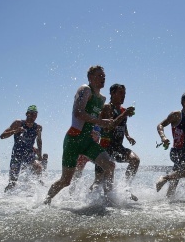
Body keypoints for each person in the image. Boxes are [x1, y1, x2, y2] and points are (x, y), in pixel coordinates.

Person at [44, 65, 131, 205]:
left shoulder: (102, 99)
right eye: (99, 76)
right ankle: (46, 201)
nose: (102, 78)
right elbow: (78, 113)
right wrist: (100, 121)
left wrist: (109, 123)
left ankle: (109, 200)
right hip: (73, 139)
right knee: (66, 181)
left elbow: (100, 122)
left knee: (109, 165)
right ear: (90, 78)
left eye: (104, 76)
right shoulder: (85, 90)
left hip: (88, 141)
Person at [90, 83, 139, 200]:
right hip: (105, 148)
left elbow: (123, 125)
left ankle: (126, 188)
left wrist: (127, 136)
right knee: (100, 183)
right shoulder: (107, 107)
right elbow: (109, 127)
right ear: (112, 93)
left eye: (125, 94)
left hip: (118, 147)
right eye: (120, 93)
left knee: (135, 160)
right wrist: (124, 114)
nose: (123, 96)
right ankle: (85, 199)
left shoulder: (122, 110)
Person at [0, 105, 43, 192]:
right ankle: (3, 198)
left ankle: (38, 190)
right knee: (12, 183)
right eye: (31, 114)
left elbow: (39, 141)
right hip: (17, 154)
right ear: (26, 114)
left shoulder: (38, 127)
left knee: (38, 167)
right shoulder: (18, 123)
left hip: (29, 153)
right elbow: (2, 136)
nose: (33, 116)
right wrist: (15, 131)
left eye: (35, 114)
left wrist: (40, 153)